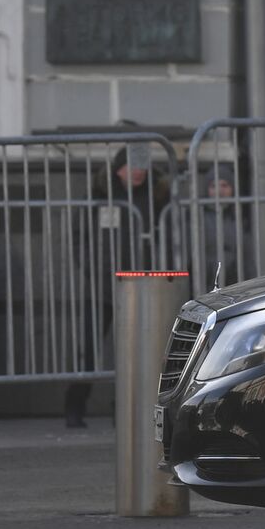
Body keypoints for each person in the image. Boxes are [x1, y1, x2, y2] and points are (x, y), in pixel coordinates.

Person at [66, 145, 171, 428]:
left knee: (139, 349)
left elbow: (170, 234)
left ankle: (125, 409)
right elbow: (79, 237)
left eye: (142, 166)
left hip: (142, 285)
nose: (138, 172)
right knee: (88, 348)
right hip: (102, 283)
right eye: (132, 166)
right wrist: (92, 268)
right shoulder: (99, 196)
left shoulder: (157, 197)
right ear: (118, 168)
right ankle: (75, 406)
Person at [199, 165, 256, 285]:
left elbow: (247, 256)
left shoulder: (240, 217)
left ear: (232, 188)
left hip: (234, 279)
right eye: (213, 186)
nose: (219, 191)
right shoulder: (197, 217)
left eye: (224, 185)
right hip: (204, 279)